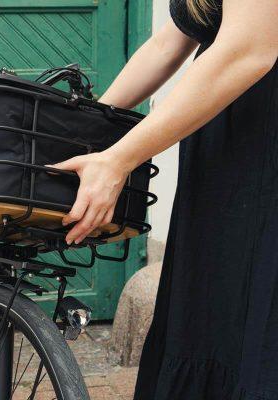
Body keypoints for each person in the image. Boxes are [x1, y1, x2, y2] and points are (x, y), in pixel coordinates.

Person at [52, 0, 278, 398]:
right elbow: (166, 45)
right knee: (215, 317)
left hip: (264, 150)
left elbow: (251, 49)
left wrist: (120, 159)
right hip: (230, 152)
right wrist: (89, 128)